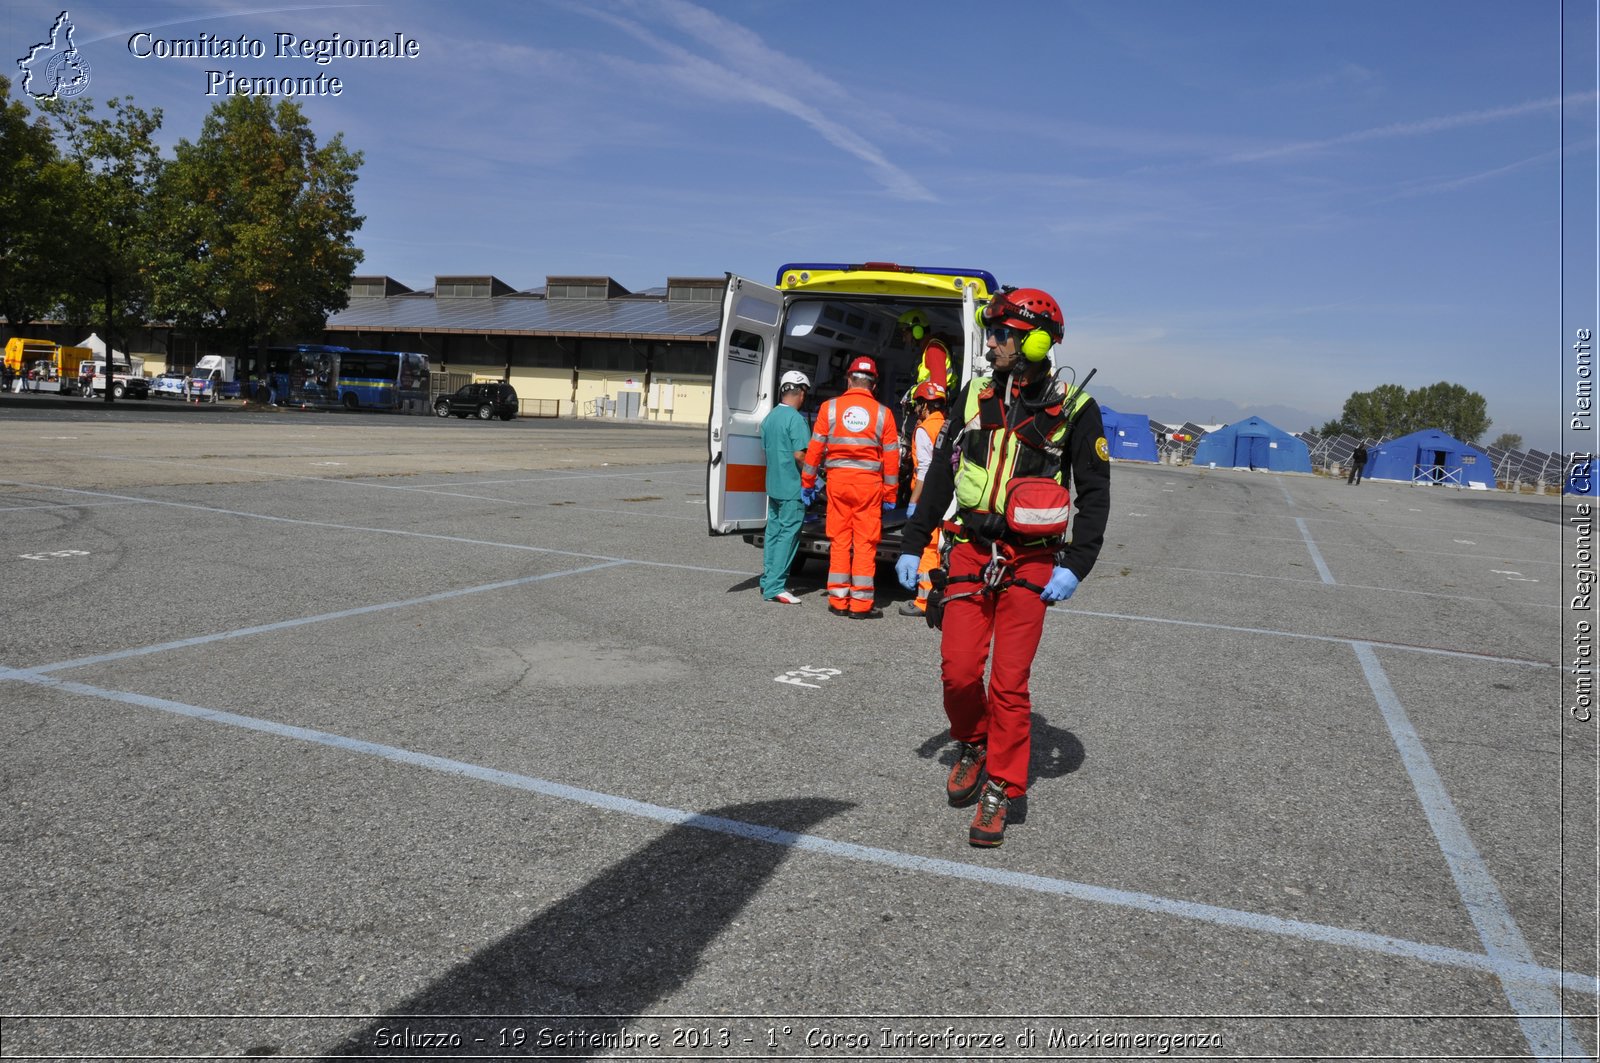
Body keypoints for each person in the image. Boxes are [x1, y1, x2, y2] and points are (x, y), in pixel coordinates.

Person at [895, 285, 1110, 848]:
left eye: (1000, 334)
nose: (990, 342)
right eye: (992, 332)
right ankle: (972, 740)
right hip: (969, 548)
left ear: (1034, 341)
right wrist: (914, 541)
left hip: (1034, 561)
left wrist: (1079, 561)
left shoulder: (1078, 410)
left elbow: (1095, 491)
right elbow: (941, 472)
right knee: (959, 671)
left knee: (1009, 684)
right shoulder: (973, 395)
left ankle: (1002, 785)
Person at [800, 355, 900, 618]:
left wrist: (808, 483)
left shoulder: (829, 408)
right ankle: (861, 605)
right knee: (865, 543)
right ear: (874, 385)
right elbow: (891, 459)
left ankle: (838, 599)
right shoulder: (884, 414)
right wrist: (890, 494)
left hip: (838, 484)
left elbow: (814, 451)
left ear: (848, 379)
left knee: (840, 540)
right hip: (869, 487)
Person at [759, 370, 813, 605]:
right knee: (788, 537)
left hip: (774, 486)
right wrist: (817, 478)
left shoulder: (770, 417)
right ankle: (776, 586)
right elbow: (801, 454)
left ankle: (767, 580)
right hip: (792, 487)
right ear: (800, 392)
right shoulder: (796, 419)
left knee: (773, 533)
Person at [898, 380, 948, 616]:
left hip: (927, 495)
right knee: (938, 546)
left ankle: (924, 600)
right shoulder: (947, 425)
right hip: (944, 494)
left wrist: (913, 502)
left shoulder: (924, 429)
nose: (916, 409)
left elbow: (924, 471)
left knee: (927, 547)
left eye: (918, 404)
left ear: (925, 405)